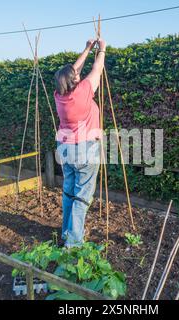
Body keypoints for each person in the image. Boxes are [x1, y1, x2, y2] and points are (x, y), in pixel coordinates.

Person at [54, 38, 107, 248]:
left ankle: (66, 232)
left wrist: (87, 48)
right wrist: (101, 50)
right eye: (75, 75)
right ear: (74, 80)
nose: (77, 73)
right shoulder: (84, 90)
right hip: (85, 148)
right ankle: (74, 243)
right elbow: (97, 68)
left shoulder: (59, 94)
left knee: (69, 191)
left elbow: (73, 71)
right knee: (82, 197)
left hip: (65, 148)